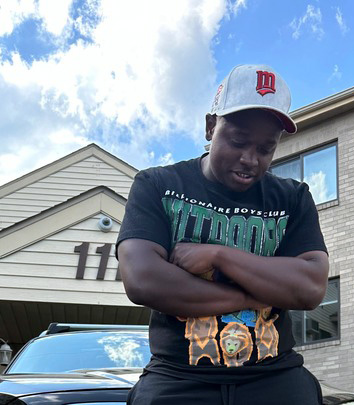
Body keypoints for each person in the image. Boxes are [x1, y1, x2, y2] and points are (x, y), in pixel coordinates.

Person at [116, 64, 329, 405]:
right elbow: (143, 280)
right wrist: (250, 297)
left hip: (273, 374)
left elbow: (311, 287)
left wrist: (219, 255)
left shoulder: (292, 198)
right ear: (210, 126)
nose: (250, 159)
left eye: (266, 149)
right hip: (179, 377)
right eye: (238, 141)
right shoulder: (158, 185)